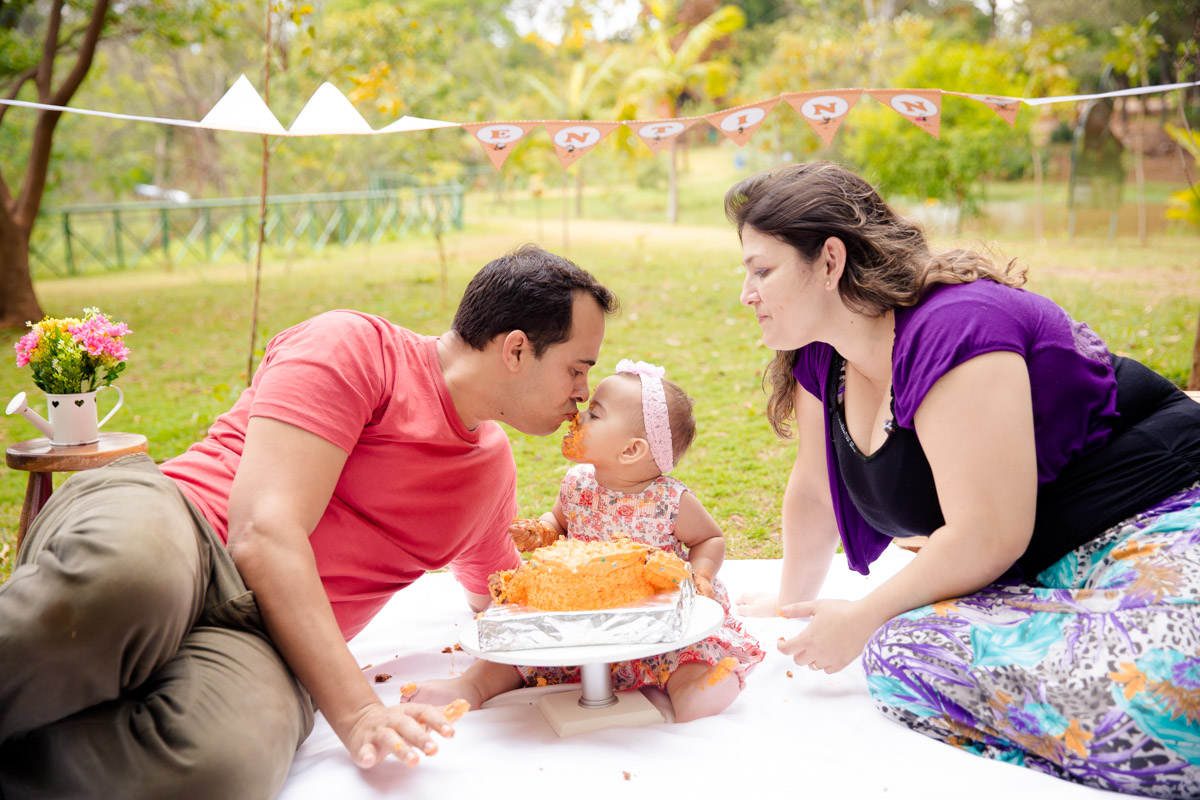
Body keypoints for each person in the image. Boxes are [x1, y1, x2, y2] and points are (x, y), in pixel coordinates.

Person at [0, 244, 617, 800]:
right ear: (515, 349)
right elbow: (261, 532)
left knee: (217, 766)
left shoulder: (489, 473)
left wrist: (621, 625)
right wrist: (357, 713)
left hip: (266, 641)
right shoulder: (355, 346)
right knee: (130, 585)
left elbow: (507, 602)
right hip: (182, 526)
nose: (583, 393)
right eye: (577, 367)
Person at [727, 161, 1200, 797]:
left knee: (1166, 702)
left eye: (762, 270)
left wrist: (862, 614)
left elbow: (986, 535)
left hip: (1158, 510)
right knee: (902, 654)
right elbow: (814, 489)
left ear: (830, 261)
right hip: (1042, 567)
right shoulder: (822, 355)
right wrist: (792, 608)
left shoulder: (956, 327)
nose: (746, 293)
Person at [406, 360, 764, 722]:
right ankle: (471, 687)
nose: (578, 416)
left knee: (684, 653)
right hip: (580, 608)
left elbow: (709, 537)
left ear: (630, 450)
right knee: (519, 651)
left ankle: (692, 691)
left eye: (595, 413)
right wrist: (542, 531)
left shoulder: (669, 500)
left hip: (652, 611)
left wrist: (701, 573)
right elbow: (559, 522)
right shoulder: (578, 483)